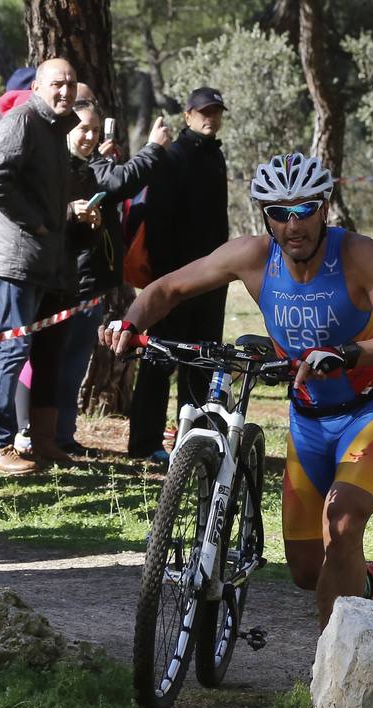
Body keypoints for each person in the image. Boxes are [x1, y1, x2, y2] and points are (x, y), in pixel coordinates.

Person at [103, 153, 373, 630]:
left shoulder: (357, 255)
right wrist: (129, 324)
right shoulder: (254, 257)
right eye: (280, 213)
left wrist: (349, 353)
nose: (292, 224)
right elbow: (168, 289)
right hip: (309, 419)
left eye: (304, 210)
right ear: (266, 216)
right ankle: (360, 583)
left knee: (341, 523)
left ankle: (333, 679)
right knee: (305, 570)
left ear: (325, 208)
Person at [0, 58, 83, 475]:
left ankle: (40, 441)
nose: (65, 91)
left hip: (42, 260)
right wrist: (36, 223)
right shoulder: (22, 120)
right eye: (57, 83)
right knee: (12, 348)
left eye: (71, 84)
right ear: (37, 86)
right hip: (13, 258)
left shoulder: (57, 128)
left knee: (42, 350)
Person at [52, 99, 169, 458]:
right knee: (56, 362)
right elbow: (120, 182)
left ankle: (62, 434)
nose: (87, 136)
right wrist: (152, 149)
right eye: (81, 129)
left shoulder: (89, 164)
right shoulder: (65, 167)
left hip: (91, 282)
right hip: (73, 280)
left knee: (73, 366)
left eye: (92, 129)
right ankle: (37, 434)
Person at [128, 86, 230, 464]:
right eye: (204, 111)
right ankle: (144, 444)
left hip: (211, 281)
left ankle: (195, 441)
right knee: (159, 359)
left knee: (202, 359)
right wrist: (166, 283)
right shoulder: (174, 156)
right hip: (174, 282)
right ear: (187, 115)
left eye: (216, 111)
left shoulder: (215, 157)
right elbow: (157, 223)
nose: (211, 117)